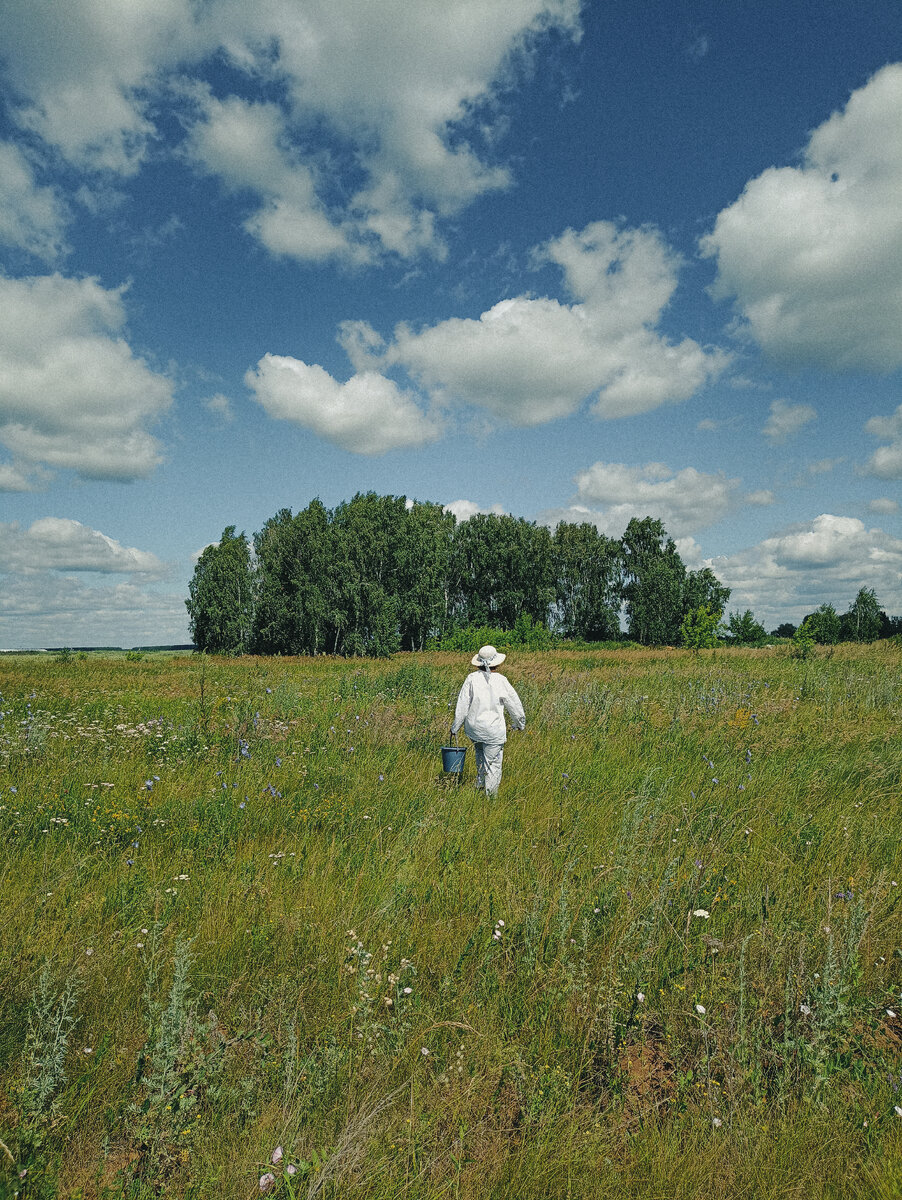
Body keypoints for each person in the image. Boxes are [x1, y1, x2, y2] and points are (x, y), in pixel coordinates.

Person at [451, 645, 525, 795]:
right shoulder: (501, 680)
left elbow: (462, 705)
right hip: (493, 731)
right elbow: (514, 705)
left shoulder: (471, 679)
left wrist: (455, 727)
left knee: (480, 758)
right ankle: (490, 798)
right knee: (493, 765)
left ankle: (480, 787)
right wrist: (520, 724)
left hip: (474, 729)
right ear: (496, 663)